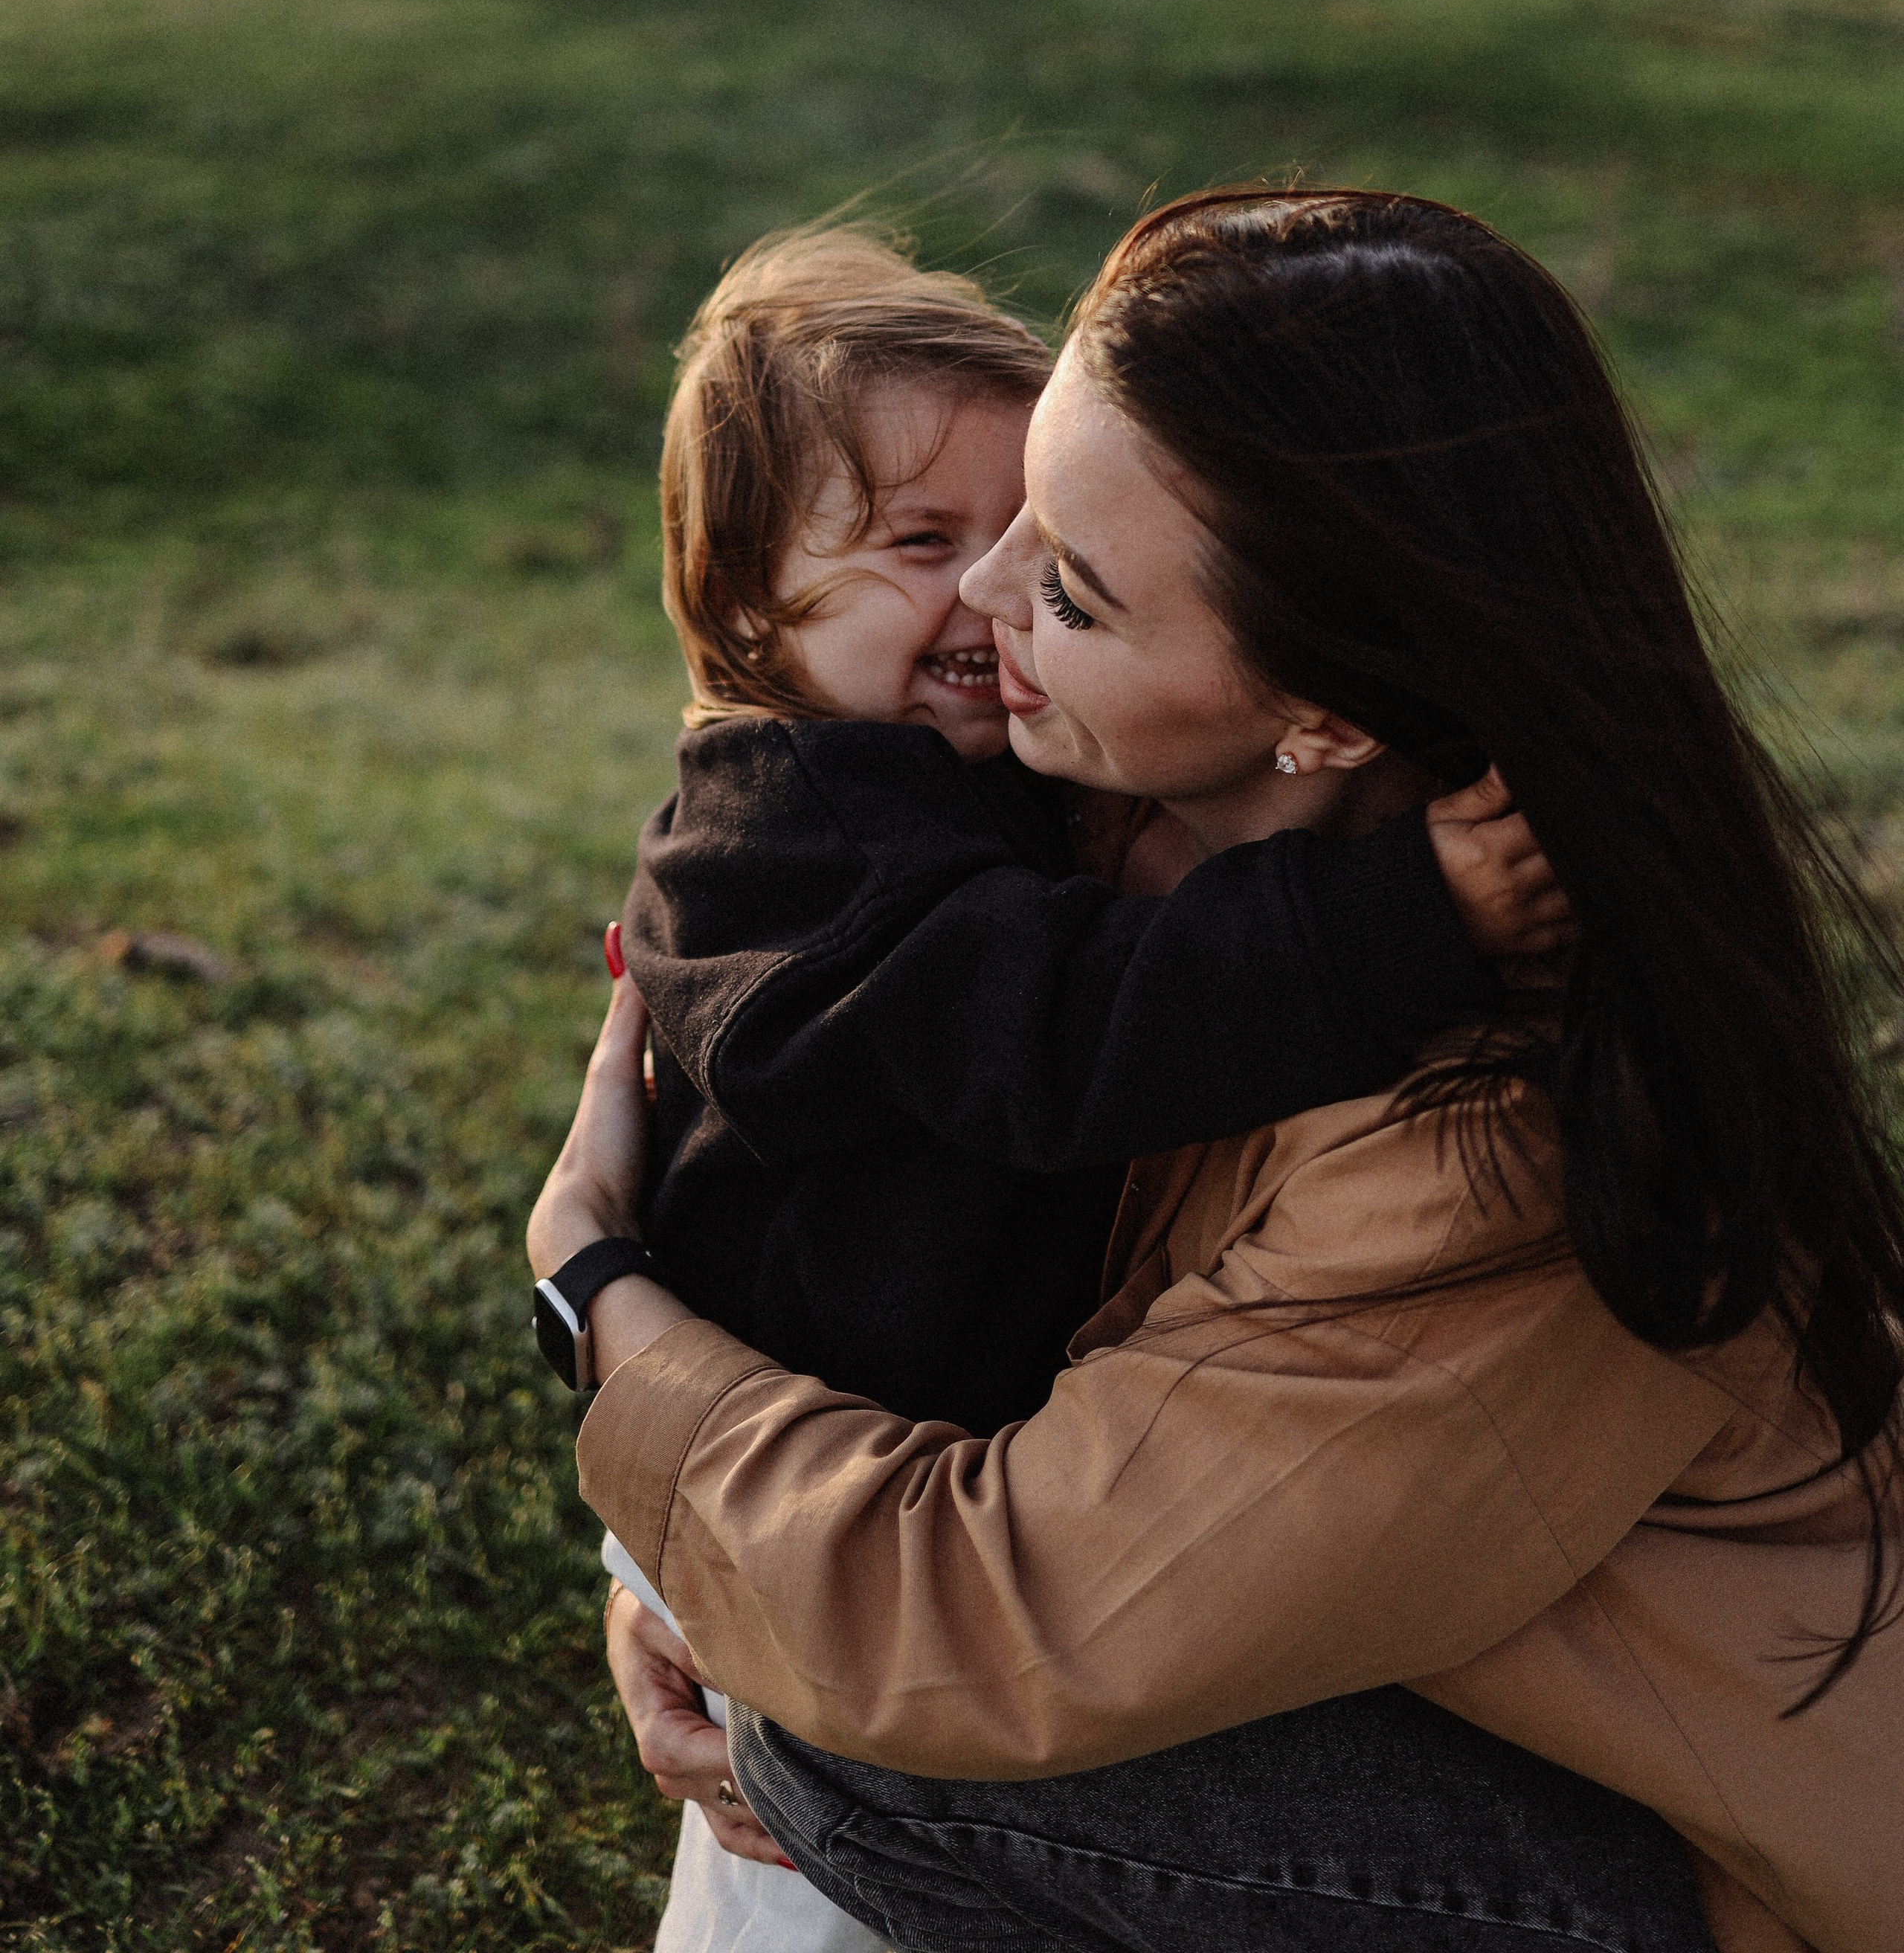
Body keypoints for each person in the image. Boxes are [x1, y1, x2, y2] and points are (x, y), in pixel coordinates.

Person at [533, 189, 1904, 1953]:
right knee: (795, 1651)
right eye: (1009, 512)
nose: (989, 589)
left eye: (1072, 586)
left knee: (842, 1730)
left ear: (1321, 715)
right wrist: (677, 1572)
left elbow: (977, 1622)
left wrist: (595, 1298)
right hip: (1379, 1653)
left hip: (1695, 1883)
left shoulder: (1499, 1145)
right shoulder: (1095, 813)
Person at [585, 222, 1560, 1953]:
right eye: (920, 543)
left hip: (896, 1506)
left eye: (1045, 552)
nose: (981, 592)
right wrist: (1408, 912)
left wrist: (577, 1285)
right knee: (792, 1889)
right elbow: (1056, 1027)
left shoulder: (991, 793)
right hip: (814, 1479)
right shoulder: (791, 832)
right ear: (747, 604)